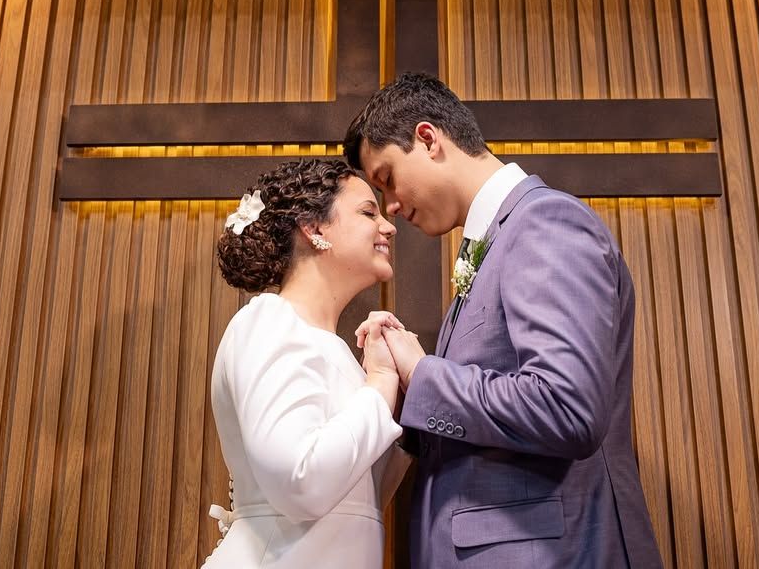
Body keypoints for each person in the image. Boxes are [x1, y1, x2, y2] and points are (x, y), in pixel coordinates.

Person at [344, 72, 663, 568]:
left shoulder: (545, 224)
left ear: (428, 139)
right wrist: (403, 389)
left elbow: (567, 407)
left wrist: (424, 373)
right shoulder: (492, 246)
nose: (391, 206)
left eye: (386, 178)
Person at [203, 158, 411, 568]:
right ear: (314, 229)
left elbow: (360, 497)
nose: (388, 225)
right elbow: (301, 483)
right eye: (368, 212)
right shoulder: (268, 320)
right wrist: (383, 380)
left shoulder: (344, 359)